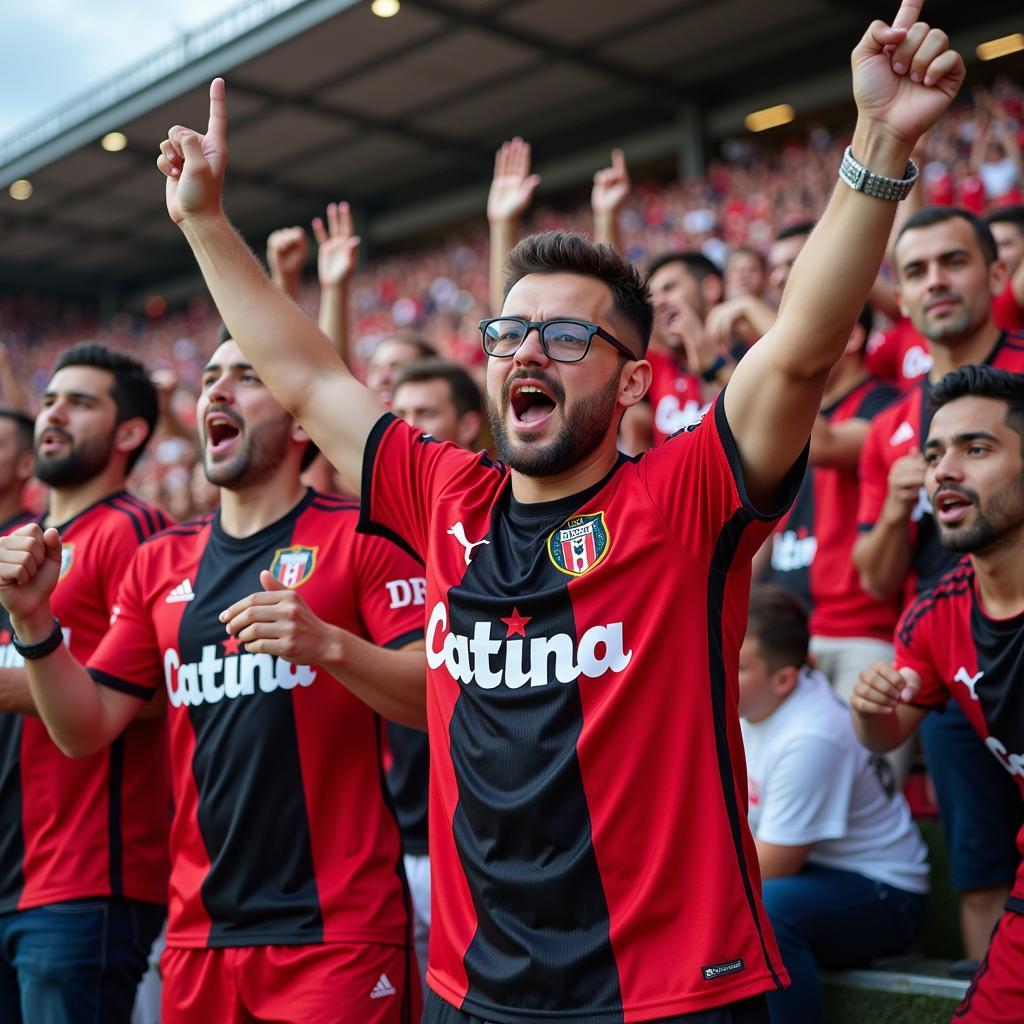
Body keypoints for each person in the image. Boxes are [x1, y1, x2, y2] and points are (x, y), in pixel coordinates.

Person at [154, 7, 963, 1019]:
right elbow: (310, 377)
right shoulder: (443, 493)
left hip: (669, 992)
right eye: (510, 331)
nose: (528, 351)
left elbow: (800, 342)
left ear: (633, 385)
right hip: (480, 984)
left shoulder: (686, 493)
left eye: (567, 336)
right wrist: (201, 221)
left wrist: (880, 142)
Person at [0, 338, 429, 1023]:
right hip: (199, 936)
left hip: (337, 932)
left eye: (247, 377)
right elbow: (85, 727)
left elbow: (438, 697)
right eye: (209, 379)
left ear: (299, 422)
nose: (217, 392)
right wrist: (33, 623)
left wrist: (331, 647)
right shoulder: (161, 562)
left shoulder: (361, 536)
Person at [852, 205, 1024, 959]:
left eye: (952, 262)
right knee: (984, 871)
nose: (935, 283)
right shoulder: (893, 423)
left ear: (996, 274)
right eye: (915, 271)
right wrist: (895, 511)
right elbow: (873, 576)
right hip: (953, 661)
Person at [0, 344, 170, 1024]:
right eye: (48, 400)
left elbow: (158, 692)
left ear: (130, 433)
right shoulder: (21, 539)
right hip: (16, 873)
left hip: (85, 879)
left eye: (80, 401)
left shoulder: (135, 531)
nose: (54, 413)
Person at [740, 584, 928, 1024]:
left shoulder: (812, 735)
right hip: (816, 872)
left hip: (887, 894)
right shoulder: (749, 701)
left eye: (739, 663)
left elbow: (775, 864)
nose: (718, 665)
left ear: (784, 678)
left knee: (767, 907)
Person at [388, 358, 483, 998]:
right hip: (397, 839)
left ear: (470, 425)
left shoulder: (499, 525)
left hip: (478, 847)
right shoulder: (381, 529)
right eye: (399, 416)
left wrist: (331, 647)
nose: (408, 429)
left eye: (425, 415)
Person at [766, 307, 903, 706]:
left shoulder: (884, 402)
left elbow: (823, 445)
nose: (792, 346)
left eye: (806, 332)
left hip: (859, 635)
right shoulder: (796, 416)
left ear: (855, 338)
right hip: (792, 631)